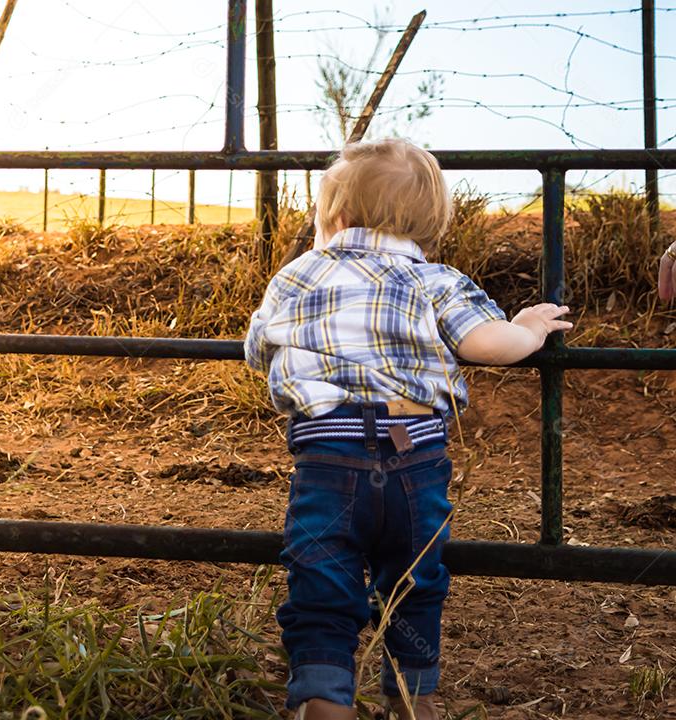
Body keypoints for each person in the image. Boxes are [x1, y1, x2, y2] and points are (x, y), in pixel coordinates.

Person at [244, 139, 573, 720]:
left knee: (322, 583)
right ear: (428, 224)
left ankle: (324, 702)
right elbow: (488, 344)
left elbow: (256, 350)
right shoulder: (437, 280)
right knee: (415, 583)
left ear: (335, 216)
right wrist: (527, 327)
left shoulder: (295, 277)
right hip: (414, 458)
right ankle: (412, 702)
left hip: (327, 457)